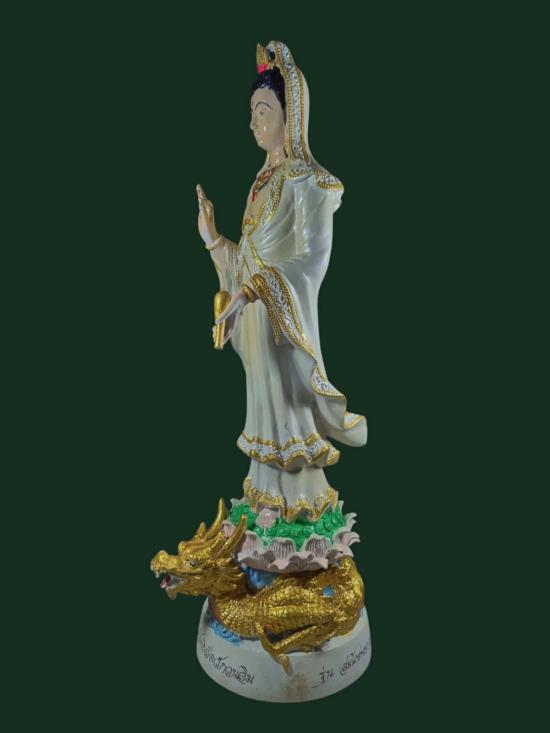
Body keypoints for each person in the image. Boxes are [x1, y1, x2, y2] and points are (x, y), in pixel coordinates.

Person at [195, 40, 367, 534]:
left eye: (263, 110)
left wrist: (254, 290)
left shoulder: (307, 183)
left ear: (291, 118)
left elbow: (309, 261)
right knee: (263, 416)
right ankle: (264, 501)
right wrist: (214, 241)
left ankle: (301, 509)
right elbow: (248, 261)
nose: (254, 122)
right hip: (257, 328)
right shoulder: (261, 183)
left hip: (282, 325)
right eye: (251, 111)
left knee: (290, 412)